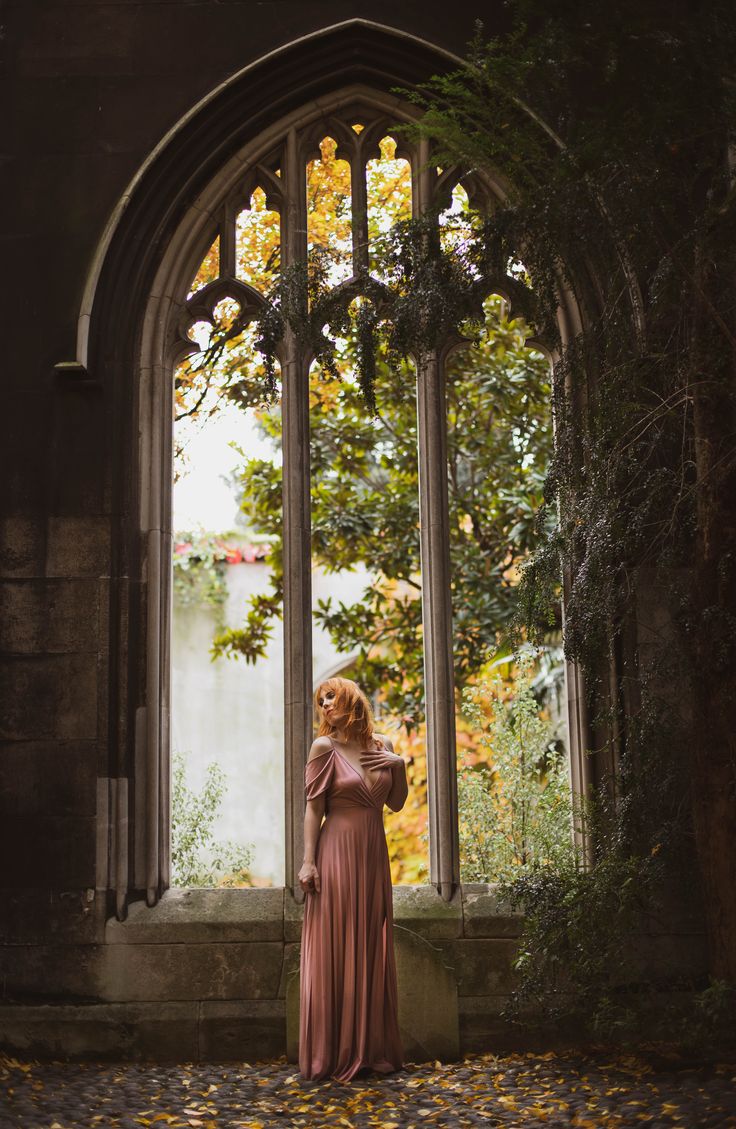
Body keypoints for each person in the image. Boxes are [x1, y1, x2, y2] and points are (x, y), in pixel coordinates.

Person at [298, 676, 408, 1082]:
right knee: (335, 945)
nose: (325, 704)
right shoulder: (323, 747)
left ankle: (369, 1051)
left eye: (332, 696)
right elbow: (313, 809)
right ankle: (333, 1052)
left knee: (368, 946)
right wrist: (308, 862)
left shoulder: (385, 747)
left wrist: (399, 766)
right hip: (336, 854)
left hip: (372, 854)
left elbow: (395, 803)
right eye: (320, 700)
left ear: (352, 700)